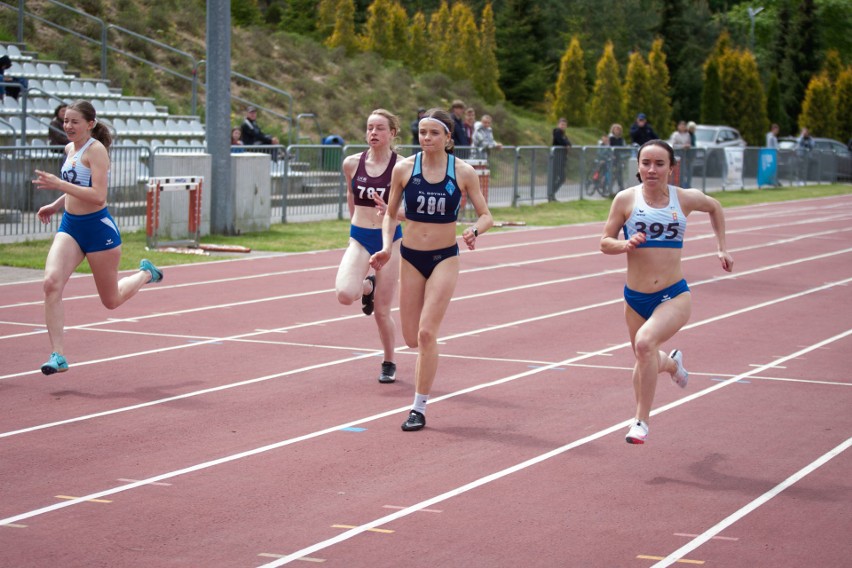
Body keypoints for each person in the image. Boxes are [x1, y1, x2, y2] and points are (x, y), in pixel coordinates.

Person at [600, 140, 733, 444]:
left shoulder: (683, 199)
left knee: (645, 345)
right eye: (646, 163)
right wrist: (625, 244)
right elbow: (604, 242)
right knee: (644, 355)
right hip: (635, 299)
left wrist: (722, 247)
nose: (652, 169)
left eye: (659, 164)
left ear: (672, 168)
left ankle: (640, 422)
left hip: (673, 295)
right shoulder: (625, 200)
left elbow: (715, 207)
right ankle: (673, 364)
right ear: (637, 167)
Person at [369, 108, 493, 431]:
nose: (427, 138)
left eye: (434, 133)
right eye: (423, 132)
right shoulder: (404, 169)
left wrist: (474, 231)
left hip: (445, 258)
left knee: (426, 333)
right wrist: (386, 246)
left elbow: (486, 215)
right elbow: (389, 213)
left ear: (448, 138)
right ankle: (423, 375)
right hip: (410, 257)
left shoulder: (463, 172)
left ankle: (418, 408)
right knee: (411, 338)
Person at [32, 100, 163, 376]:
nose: (68, 126)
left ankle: (145, 274)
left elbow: (98, 195)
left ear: (90, 124)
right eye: (66, 121)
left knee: (111, 300)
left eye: (74, 122)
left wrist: (58, 183)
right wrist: (56, 204)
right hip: (70, 227)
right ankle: (58, 355)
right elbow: (76, 187)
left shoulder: (97, 151)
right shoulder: (70, 148)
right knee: (50, 283)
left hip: (98, 229)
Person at [336, 109, 404, 384]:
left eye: (379, 128)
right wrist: (354, 225)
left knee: (382, 312)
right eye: (369, 128)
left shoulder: (403, 167)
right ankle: (367, 286)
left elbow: (409, 210)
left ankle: (388, 361)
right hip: (360, 237)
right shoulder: (352, 163)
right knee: (343, 293)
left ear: (392, 133)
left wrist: (391, 211)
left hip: (389, 240)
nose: (373, 133)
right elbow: (351, 194)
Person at [549, 117, 572, 201]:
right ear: (558, 125)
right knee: (557, 177)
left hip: (561, 159)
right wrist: (566, 144)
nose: (563, 126)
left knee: (561, 178)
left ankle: (552, 193)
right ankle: (551, 193)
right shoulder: (557, 132)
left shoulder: (563, 134)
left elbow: (569, 143)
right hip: (556, 158)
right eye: (561, 124)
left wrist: (567, 144)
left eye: (564, 125)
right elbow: (560, 141)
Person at [668, 120, 692, 188]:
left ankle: (681, 185)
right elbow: (672, 145)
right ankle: (672, 185)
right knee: (674, 170)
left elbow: (689, 143)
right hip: (676, 155)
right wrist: (682, 146)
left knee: (683, 171)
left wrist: (687, 146)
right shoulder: (675, 134)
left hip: (684, 155)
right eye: (681, 125)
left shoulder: (687, 135)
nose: (682, 127)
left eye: (684, 126)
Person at [608, 123, 626, 193]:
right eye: (616, 129)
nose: (617, 131)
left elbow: (623, 149)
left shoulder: (621, 140)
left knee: (619, 173)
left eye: (618, 129)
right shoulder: (610, 138)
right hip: (611, 158)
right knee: (612, 173)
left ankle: (621, 187)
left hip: (619, 158)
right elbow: (608, 148)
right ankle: (609, 188)